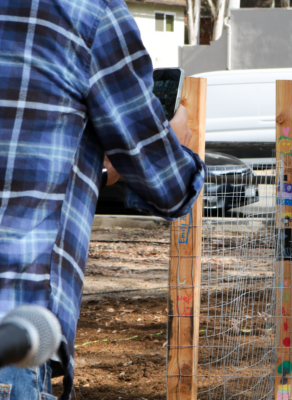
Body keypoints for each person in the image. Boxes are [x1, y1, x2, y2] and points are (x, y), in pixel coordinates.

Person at [0, 1, 205, 399]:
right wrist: (175, 140)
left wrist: (103, 171)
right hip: (13, 338)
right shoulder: (88, 14)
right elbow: (168, 186)